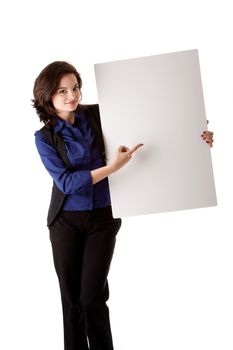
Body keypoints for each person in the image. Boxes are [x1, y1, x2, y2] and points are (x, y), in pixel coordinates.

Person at [32, 61, 214, 350]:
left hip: (104, 217)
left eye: (75, 87)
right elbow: (66, 183)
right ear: (46, 96)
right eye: (62, 91)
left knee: (92, 298)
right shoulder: (44, 138)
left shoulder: (98, 114)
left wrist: (198, 135)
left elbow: (150, 120)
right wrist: (113, 168)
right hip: (65, 221)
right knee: (71, 301)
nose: (72, 96)